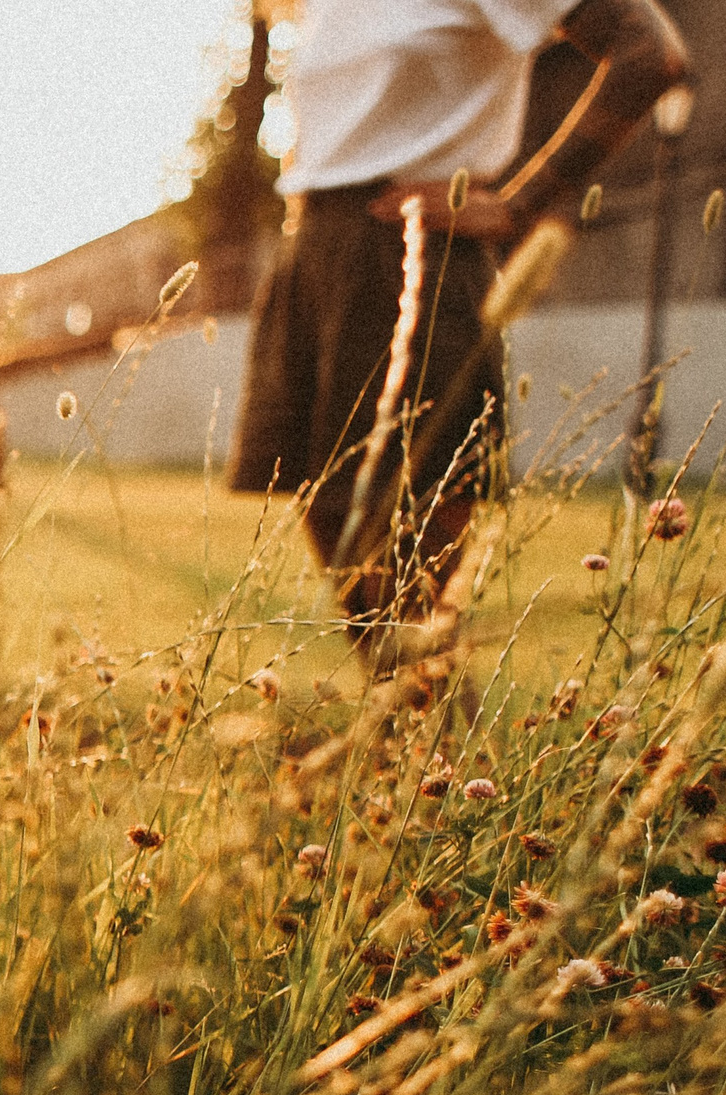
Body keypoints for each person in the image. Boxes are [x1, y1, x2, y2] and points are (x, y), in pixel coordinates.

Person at [229, 0, 688, 677]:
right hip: (314, 244)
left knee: (411, 527)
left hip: (408, 245)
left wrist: (519, 203)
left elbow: (649, 52)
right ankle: (408, 723)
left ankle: (432, 743)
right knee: (327, 504)